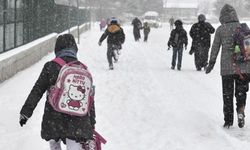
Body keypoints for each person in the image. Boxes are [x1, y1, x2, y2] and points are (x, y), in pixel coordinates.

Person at [19, 34, 96, 150]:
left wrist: (26, 111)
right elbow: (89, 99)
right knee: (75, 144)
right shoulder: (82, 69)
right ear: (74, 49)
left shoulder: (50, 66)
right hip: (78, 120)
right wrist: (91, 123)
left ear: (57, 49)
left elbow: (37, 90)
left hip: (54, 118)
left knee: (54, 142)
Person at [205, 4, 250, 128]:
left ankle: (228, 120)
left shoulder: (221, 29)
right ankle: (240, 111)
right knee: (241, 92)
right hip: (244, 68)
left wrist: (211, 63)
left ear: (222, 16)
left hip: (227, 68)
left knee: (227, 95)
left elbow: (215, 48)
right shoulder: (243, 28)